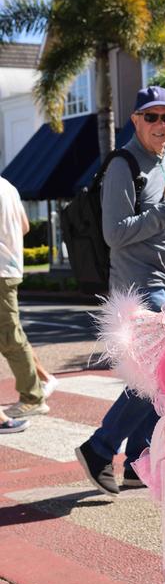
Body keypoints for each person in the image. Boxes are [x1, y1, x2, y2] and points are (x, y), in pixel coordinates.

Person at [75, 86, 165, 496]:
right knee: (161, 374)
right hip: (142, 287)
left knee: (162, 379)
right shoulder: (124, 164)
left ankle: (139, 459)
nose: (162, 125)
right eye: (152, 117)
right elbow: (115, 233)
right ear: (136, 120)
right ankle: (100, 447)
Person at [0, 175, 49, 417]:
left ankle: (33, 395)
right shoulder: (8, 186)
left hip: (0, 272)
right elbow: (25, 226)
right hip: (9, 268)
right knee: (10, 334)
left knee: (10, 335)